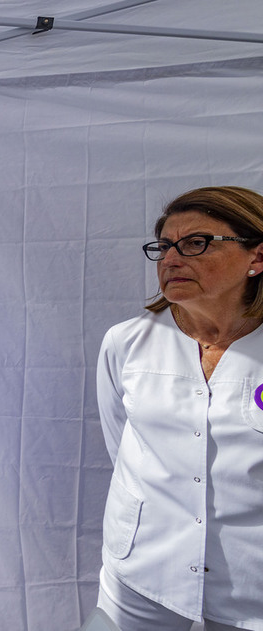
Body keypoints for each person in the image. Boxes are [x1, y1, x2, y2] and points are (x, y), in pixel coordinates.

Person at [96, 186, 263, 631]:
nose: (171, 259)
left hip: (252, 583)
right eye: (164, 247)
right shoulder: (127, 343)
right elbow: (122, 442)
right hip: (141, 568)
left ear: (257, 257)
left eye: (195, 243)